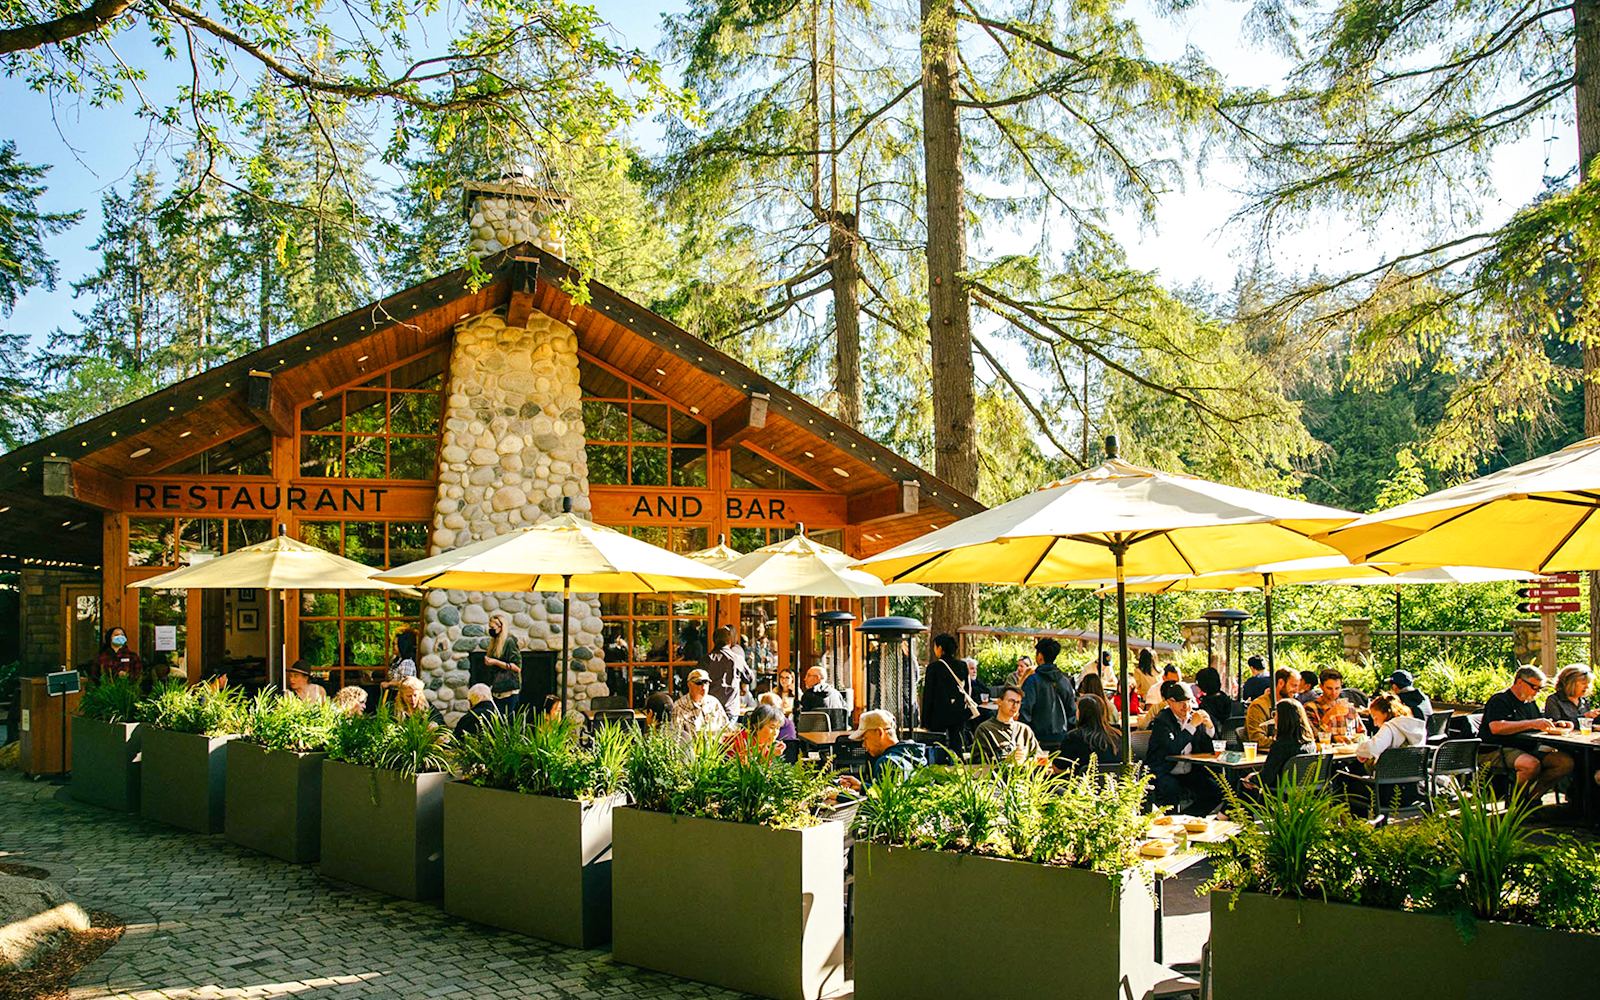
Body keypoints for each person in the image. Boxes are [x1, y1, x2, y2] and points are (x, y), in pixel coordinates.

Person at [1482, 665, 1575, 802]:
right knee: (1530, 765)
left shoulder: (1530, 702)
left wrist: (1556, 725)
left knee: (1564, 762)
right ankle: (1516, 803)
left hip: (1527, 747)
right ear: (1520, 682)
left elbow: (1537, 725)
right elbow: (1496, 727)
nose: (1537, 692)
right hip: (1497, 748)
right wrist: (1531, 723)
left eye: (1540, 688)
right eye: (1534, 687)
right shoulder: (1500, 700)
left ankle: (1531, 799)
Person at [1144, 681, 1220, 814]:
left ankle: (1189, 818)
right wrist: (1191, 727)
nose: (1186, 706)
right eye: (1180, 702)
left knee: (1215, 790)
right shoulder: (1162, 720)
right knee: (1170, 789)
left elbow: (1209, 749)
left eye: (1188, 701)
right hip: (1165, 771)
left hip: (1190, 771)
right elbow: (1172, 749)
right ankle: (1175, 822)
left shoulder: (1196, 716)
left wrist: (1210, 728)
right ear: (1169, 702)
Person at [836, 710, 929, 791]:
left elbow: (881, 803)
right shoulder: (914, 756)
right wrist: (862, 787)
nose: (863, 745)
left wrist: (838, 796)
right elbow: (888, 792)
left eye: (865, 738)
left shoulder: (887, 762)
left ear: (880, 733)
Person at [1020, 637, 1076, 750]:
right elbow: (1072, 712)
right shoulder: (1065, 681)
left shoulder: (1032, 681)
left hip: (1037, 739)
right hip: (1062, 738)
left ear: (1040, 656)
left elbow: (1025, 711)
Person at [922, 633, 974, 752]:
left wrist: (925, 720)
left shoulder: (933, 667)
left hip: (938, 713)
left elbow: (928, 695)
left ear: (940, 648)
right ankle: (958, 766)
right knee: (957, 744)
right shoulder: (962, 665)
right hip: (958, 711)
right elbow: (968, 690)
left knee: (938, 746)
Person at [1252, 699, 1317, 791]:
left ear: (1283, 718)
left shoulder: (1280, 747)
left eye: (1276, 714)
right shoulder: (1310, 744)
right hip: (1304, 793)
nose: (1274, 718)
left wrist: (1251, 779)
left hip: (1278, 794)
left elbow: (1266, 778)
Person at [971, 685, 1043, 765]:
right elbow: (977, 761)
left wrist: (1024, 760)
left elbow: (1039, 757)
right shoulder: (985, 729)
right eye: (1011, 701)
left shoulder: (1025, 730)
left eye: (1018, 702)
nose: (1015, 706)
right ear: (999, 702)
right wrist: (1005, 760)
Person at [1055, 695, 1122, 770]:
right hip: (1114, 780)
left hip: (1083, 781)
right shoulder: (1116, 736)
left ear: (1080, 713)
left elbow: (1058, 768)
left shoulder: (1074, 737)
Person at [1354, 693, 1425, 764]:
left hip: (1393, 772)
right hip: (1415, 772)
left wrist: (1360, 751)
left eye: (1376, 718)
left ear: (1386, 713)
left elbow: (1372, 748)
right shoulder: (1414, 726)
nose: (1375, 724)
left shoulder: (1390, 727)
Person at [1245, 668, 1301, 748]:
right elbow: (1258, 740)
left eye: (1298, 686)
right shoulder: (1259, 706)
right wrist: (1287, 744)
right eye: (1294, 686)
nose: (1296, 691)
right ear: (1281, 683)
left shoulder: (1294, 705)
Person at [704, 625, 751, 718]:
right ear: (729, 642)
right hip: (731, 708)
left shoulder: (706, 659)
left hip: (711, 708)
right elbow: (749, 678)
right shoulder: (737, 659)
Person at [672, 667, 730, 736]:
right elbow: (677, 737)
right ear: (689, 685)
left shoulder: (714, 703)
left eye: (706, 682)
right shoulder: (679, 707)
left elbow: (727, 728)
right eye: (699, 683)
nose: (703, 687)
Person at [1305, 668, 1360, 739]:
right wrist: (1328, 715)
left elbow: (1362, 732)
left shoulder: (1349, 708)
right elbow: (1311, 736)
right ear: (1321, 687)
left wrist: (1353, 738)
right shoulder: (1311, 708)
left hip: (1350, 748)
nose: (1334, 692)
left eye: (1337, 688)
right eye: (1329, 688)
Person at [484, 614, 522, 713]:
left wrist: (495, 662)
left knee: (506, 722)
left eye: (492, 628)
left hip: (508, 690)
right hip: (497, 689)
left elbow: (517, 667)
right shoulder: (496, 642)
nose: (491, 630)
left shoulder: (510, 641)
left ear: (501, 627)